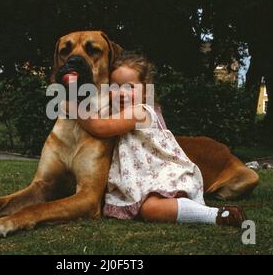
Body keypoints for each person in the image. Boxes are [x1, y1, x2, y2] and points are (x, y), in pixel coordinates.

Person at [74, 51, 246, 227]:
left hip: (163, 175)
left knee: (151, 209)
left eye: (130, 87)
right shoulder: (121, 113)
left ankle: (216, 215)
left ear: (145, 89)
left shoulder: (140, 112)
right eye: (115, 87)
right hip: (145, 178)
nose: (121, 93)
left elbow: (100, 127)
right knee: (148, 207)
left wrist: (72, 107)